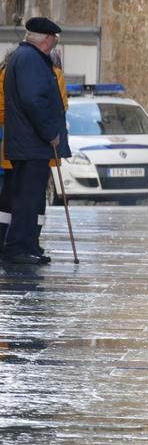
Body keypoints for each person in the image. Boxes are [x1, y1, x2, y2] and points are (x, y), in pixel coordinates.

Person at [3, 17, 70, 265]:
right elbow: (34, 100)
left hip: (29, 143)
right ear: (47, 39)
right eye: (54, 39)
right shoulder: (31, 59)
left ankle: (28, 244)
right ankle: (18, 247)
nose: (54, 43)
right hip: (32, 143)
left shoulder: (26, 57)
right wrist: (50, 131)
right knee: (27, 198)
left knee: (29, 197)